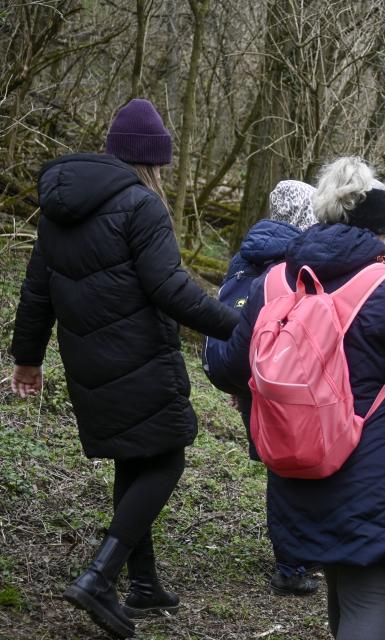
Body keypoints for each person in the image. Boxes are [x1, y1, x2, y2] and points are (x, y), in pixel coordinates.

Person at [9, 98, 239, 638]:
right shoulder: (142, 206)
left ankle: (144, 583)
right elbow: (169, 287)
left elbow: (37, 289)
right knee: (167, 457)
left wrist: (27, 359)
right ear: (151, 161)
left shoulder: (60, 208)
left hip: (89, 363)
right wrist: (237, 324)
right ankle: (100, 576)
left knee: (135, 457)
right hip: (139, 358)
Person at [217, 156, 385, 640]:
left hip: (297, 468)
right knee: (366, 600)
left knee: (340, 590)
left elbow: (230, 367)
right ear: (381, 231)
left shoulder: (275, 281)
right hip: (377, 476)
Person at [202, 179, 318, 594]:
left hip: (246, 371)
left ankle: (296, 555)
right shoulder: (294, 263)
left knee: (280, 467)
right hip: (280, 378)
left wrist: (240, 380)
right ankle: (293, 563)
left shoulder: (247, 252)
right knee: (294, 467)